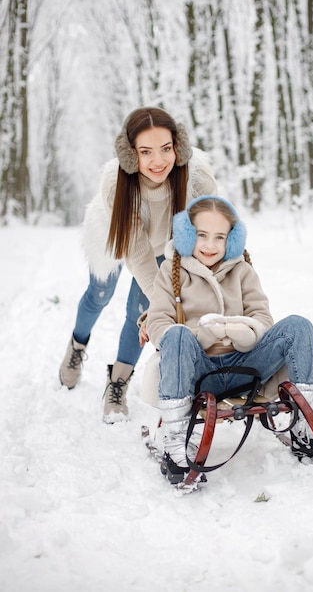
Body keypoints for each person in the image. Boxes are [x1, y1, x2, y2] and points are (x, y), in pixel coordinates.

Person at [144, 195, 313, 484]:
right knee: (175, 334)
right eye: (202, 235)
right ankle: (177, 437)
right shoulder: (172, 271)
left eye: (220, 237)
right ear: (187, 234)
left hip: (246, 366)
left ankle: (305, 424)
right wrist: (200, 335)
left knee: (297, 326)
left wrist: (247, 330)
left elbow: (262, 316)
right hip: (201, 371)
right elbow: (158, 323)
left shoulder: (241, 269)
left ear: (231, 240)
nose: (210, 245)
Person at [59, 107, 217, 423]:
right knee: (99, 294)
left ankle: (117, 382)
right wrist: (166, 300)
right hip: (114, 236)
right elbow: (137, 253)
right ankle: (77, 345)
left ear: (178, 147)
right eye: (146, 152)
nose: (158, 161)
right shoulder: (117, 186)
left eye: (166, 149)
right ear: (131, 155)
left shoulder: (196, 179)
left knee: (142, 310)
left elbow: (211, 233)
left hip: (164, 243)